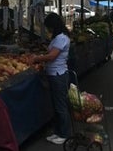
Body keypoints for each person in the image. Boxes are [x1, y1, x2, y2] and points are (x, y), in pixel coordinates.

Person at [31, 13, 71, 145]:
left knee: (60, 106)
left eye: (48, 27)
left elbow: (52, 56)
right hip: (54, 74)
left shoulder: (61, 38)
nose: (48, 29)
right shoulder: (57, 38)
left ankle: (64, 134)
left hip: (58, 75)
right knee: (56, 105)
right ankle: (58, 132)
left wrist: (36, 59)